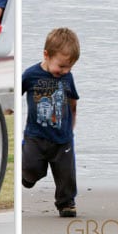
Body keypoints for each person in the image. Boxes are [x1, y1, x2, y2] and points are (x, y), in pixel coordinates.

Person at [22, 28, 80, 217]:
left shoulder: (67, 78)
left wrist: (71, 129)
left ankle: (66, 203)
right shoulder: (30, 75)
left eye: (69, 67)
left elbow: (73, 103)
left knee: (66, 175)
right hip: (35, 135)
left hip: (62, 137)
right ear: (46, 55)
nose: (65, 71)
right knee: (31, 168)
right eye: (61, 66)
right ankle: (29, 176)